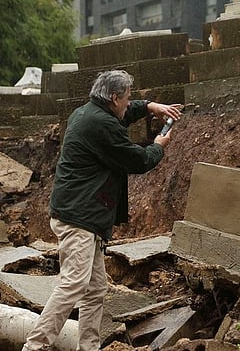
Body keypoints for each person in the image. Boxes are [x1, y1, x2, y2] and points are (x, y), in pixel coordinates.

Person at [22, 70, 182, 351]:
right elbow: (136, 159)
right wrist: (158, 147)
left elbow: (121, 114)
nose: (128, 102)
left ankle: (89, 347)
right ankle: (35, 346)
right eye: (127, 97)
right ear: (113, 97)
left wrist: (148, 106)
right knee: (73, 285)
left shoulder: (88, 112)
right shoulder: (100, 125)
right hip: (78, 217)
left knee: (95, 289)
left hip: (81, 215)